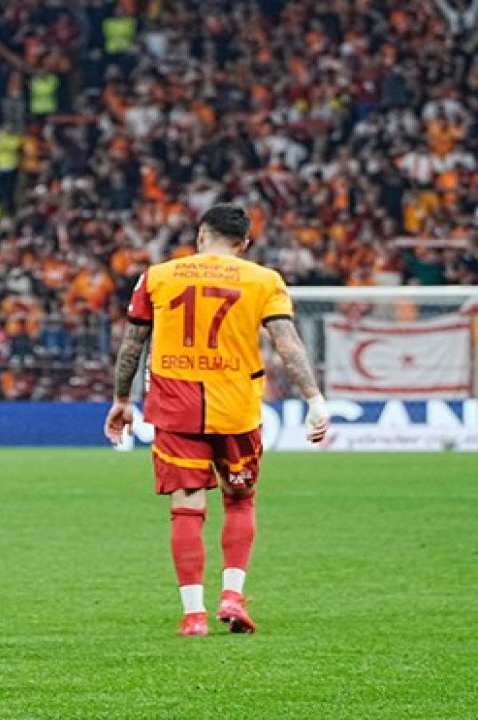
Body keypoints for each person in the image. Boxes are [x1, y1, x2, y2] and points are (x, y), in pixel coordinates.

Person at [104, 204, 332, 637]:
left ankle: (194, 616)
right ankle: (232, 596)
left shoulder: (158, 276)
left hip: (176, 407)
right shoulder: (264, 280)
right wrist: (314, 398)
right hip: (236, 406)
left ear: (200, 235)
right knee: (240, 500)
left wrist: (121, 399)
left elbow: (132, 344)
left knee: (186, 508)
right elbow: (287, 344)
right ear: (244, 244)